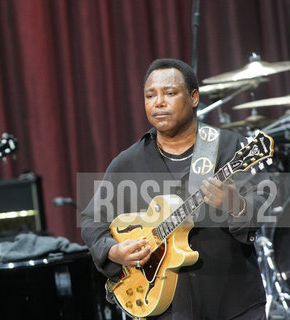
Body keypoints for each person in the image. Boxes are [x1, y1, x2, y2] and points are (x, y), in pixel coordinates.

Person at [81, 58, 268, 319]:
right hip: (163, 307)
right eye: (150, 95)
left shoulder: (229, 147)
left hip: (233, 303)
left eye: (169, 93)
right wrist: (113, 250)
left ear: (193, 97)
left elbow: (264, 203)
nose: (158, 102)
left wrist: (237, 205)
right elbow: (91, 221)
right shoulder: (127, 163)